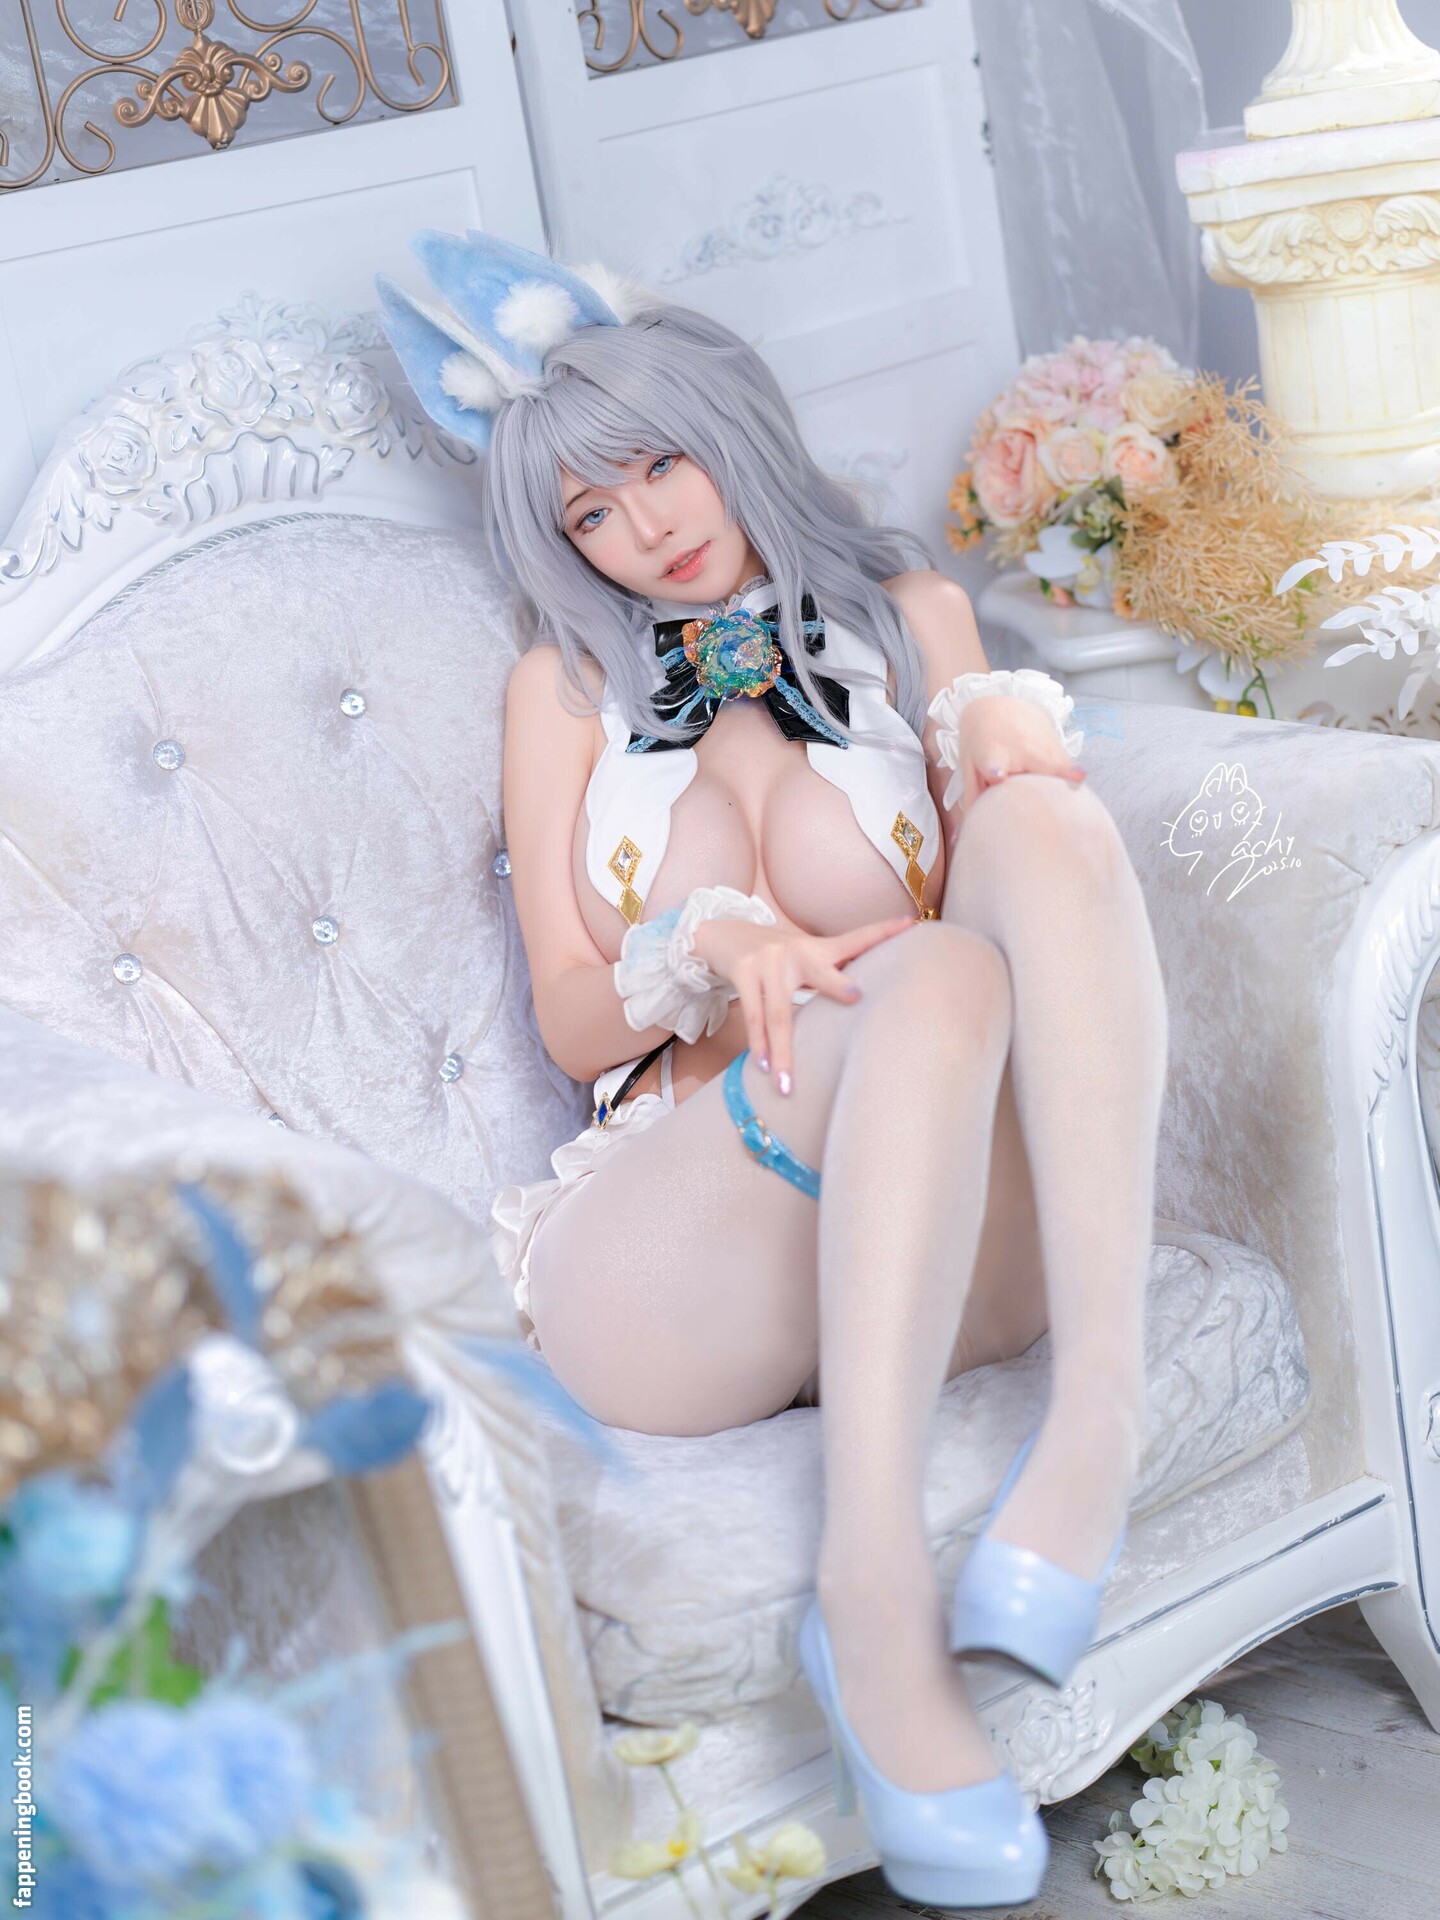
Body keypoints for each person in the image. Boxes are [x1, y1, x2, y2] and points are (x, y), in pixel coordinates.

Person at [376, 228, 1169, 1909]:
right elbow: (571, 1016)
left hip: (944, 1231)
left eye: (658, 464)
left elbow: (1022, 884)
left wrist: (1002, 736)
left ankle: (1096, 1417)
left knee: (1030, 837)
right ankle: (872, 1603)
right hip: (679, 1260)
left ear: (724, 427)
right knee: (924, 968)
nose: (644, 527)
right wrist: (697, 948)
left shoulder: (910, 618)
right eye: (591, 513)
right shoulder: (565, 694)